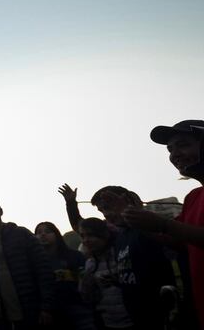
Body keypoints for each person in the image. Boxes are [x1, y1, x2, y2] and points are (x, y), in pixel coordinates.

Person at [123, 120, 204, 326]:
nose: (173, 154)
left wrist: (163, 225)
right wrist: (138, 220)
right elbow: (181, 242)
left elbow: (171, 230)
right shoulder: (193, 197)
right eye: (170, 149)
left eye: (183, 144)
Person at [87, 186, 176, 329]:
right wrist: (117, 280)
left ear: (127, 200)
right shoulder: (120, 238)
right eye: (102, 211)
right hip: (137, 318)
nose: (106, 214)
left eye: (108, 207)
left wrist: (136, 214)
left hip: (161, 316)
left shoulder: (150, 228)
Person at [0, 196, 53, 329]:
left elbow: (43, 270)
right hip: (0, 315)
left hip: (31, 309)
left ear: (0, 211)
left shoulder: (22, 234)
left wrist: (46, 306)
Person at [33, 221, 94, 330]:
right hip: (51, 312)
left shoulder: (75, 256)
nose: (42, 234)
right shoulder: (34, 263)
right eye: (39, 232)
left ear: (56, 234)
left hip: (78, 307)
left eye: (47, 231)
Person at [77, 217, 133, 330]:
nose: (85, 240)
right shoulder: (90, 263)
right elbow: (87, 298)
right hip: (107, 322)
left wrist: (118, 280)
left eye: (90, 235)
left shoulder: (121, 253)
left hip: (133, 319)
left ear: (103, 234)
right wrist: (86, 283)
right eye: (82, 236)